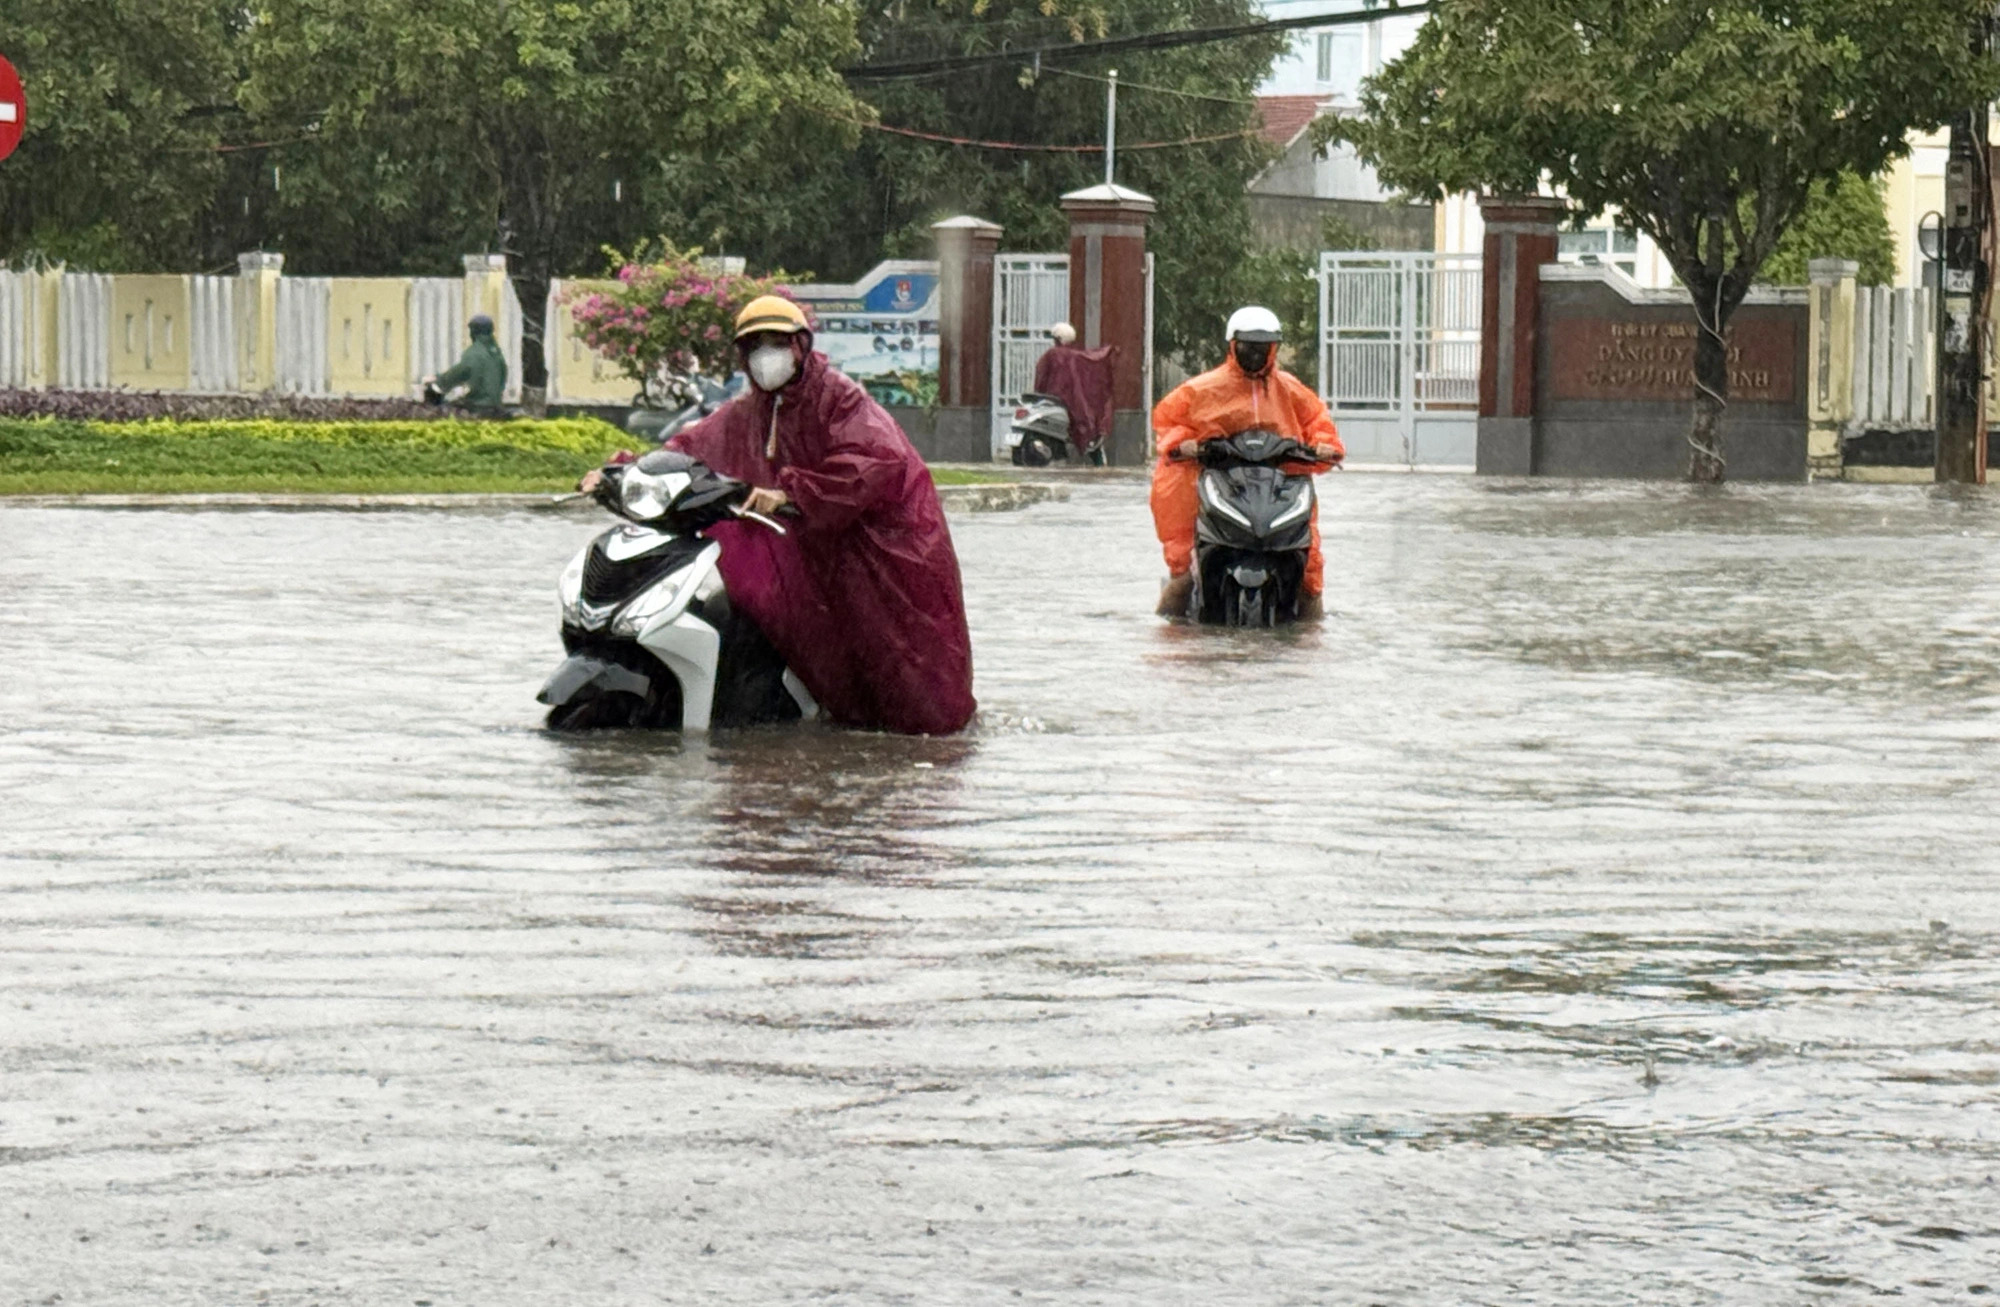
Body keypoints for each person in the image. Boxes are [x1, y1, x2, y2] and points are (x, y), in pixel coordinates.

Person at [587, 296, 976, 735]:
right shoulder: (748, 411)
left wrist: (793, 490)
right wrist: (622, 470)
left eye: (777, 343)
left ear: (801, 347)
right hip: (812, 543)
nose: (765, 356)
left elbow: (875, 459)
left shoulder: (840, 398)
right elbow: (686, 448)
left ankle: (925, 741)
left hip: (880, 549)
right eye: (755, 345)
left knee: (900, 653)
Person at [1148, 305, 1343, 621]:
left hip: (1279, 485)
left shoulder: (1290, 389)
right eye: (1248, 345)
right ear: (1233, 345)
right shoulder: (1203, 388)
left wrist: (1325, 447)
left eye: (1262, 346)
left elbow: (1318, 422)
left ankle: (1311, 642)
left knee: (1310, 572)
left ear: (1273, 348)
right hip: (1221, 479)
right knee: (1183, 570)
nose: (1255, 353)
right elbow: (1169, 421)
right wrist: (1185, 444)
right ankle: (1169, 635)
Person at [1031, 322, 1116, 463]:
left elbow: (1041, 375)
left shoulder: (1052, 354)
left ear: (1057, 339)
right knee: (1087, 431)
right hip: (1074, 404)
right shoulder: (1076, 356)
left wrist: (1039, 394)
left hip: (1054, 401)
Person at [424, 313, 508, 413]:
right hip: (496, 407)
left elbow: (459, 373)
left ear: (474, 331)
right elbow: (503, 377)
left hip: (476, 406)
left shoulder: (474, 352)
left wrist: (439, 381)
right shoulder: (497, 354)